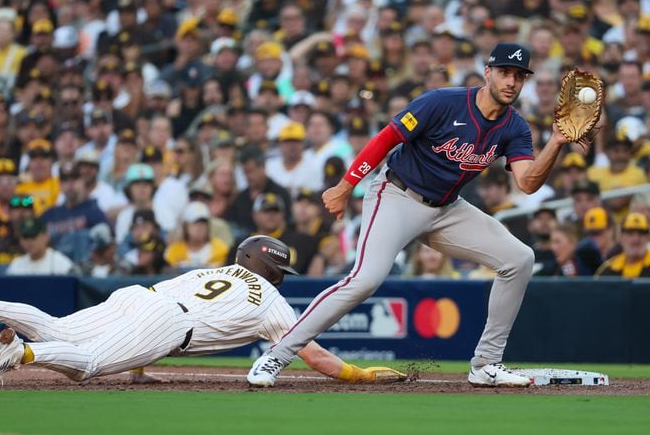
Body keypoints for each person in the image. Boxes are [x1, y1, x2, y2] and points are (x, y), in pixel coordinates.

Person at [248, 43, 592, 388]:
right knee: (364, 280)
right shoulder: (441, 102)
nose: (511, 81)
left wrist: (557, 142)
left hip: (446, 208)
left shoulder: (515, 127)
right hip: (397, 195)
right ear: (488, 73)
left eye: (519, 75)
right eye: (504, 72)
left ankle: (486, 364)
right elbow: (386, 139)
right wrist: (344, 186)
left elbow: (528, 183)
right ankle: (277, 354)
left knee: (519, 259)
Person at [0, 235, 405, 386]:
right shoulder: (272, 302)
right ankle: (18, 355)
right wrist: (358, 374)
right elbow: (314, 356)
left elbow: (153, 316)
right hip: (167, 323)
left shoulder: (210, 270)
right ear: (272, 269)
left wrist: (140, 367)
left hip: (141, 296)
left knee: (62, 329)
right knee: (91, 365)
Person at [6, 217, 74, 276]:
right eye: (25, 237)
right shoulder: (16, 265)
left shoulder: (62, 264)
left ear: (46, 236)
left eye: (33, 236)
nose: (29, 242)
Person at [595, 212, 650, 278]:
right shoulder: (608, 269)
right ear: (621, 237)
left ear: (648, 237)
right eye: (630, 233)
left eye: (641, 233)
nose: (636, 239)